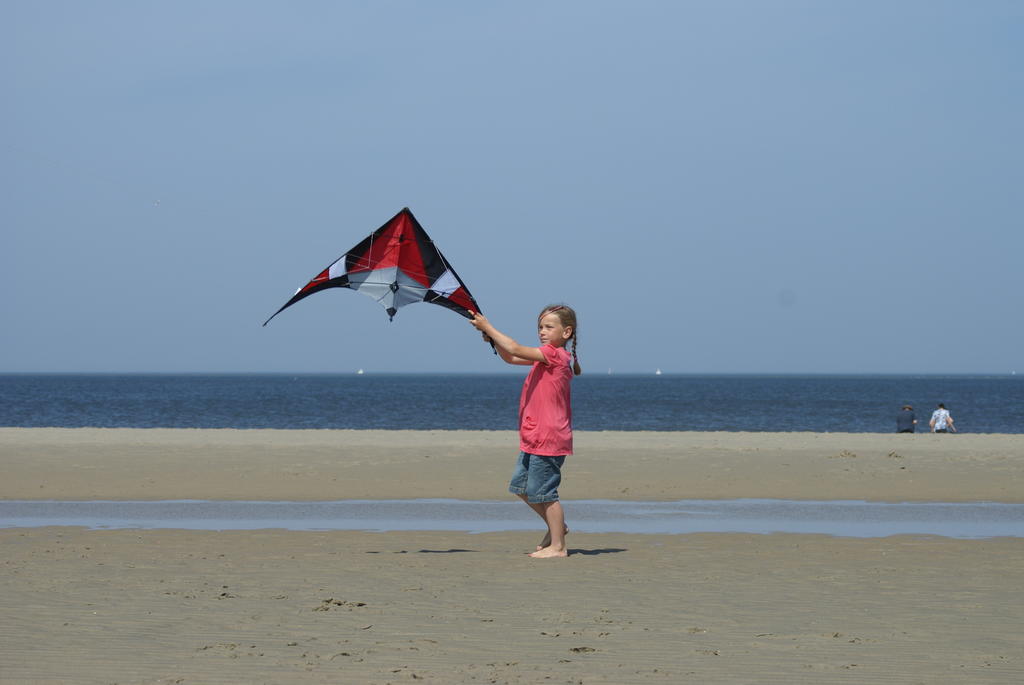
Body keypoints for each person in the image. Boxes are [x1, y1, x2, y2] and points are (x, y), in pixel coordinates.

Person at [469, 304, 582, 558]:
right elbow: (510, 356)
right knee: (521, 487)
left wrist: (489, 327)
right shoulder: (544, 356)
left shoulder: (557, 355)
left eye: (549, 327)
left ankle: (558, 546)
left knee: (545, 493)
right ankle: (558, 529)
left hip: (549, 437)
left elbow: (516, 348)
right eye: (540, 327)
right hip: (533, 436)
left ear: (566, 332)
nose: (542, 331)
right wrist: (493, 340)